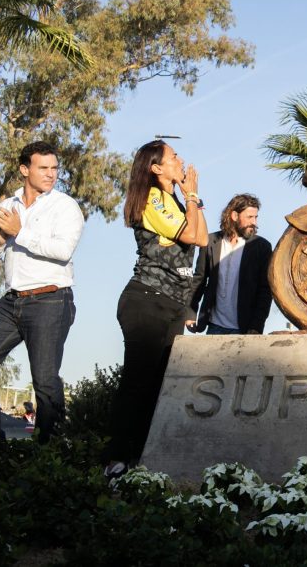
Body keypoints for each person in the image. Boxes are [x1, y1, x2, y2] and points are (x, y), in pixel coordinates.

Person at [104, 140, 208, 476]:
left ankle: (139, 463)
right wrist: (190, 196)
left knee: (157, 387)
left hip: (173, 304)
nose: (181, 161)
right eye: (173, 157)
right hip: (146, 299)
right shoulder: (151, 198)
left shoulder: (176, 200)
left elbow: (202, 238)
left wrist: (192, 197)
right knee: (137, 382)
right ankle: (116, 461)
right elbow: (191, 236)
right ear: (156, 167)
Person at [0, 141, 84, 443]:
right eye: (44, 167)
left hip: (51, 299)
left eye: (54, 168)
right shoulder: (7, 206)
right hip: (13, 300)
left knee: (44, 380)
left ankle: (49, 454)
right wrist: (0, 241)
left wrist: (19, 232)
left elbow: (63, 250)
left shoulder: (65, 206)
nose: (51, 174)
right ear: (25, 169)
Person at [189, 193, 272, 335]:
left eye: (256, 217)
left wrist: (257, 326)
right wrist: (190, 314)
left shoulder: (262, 247)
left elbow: (265, 291)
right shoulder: (210, 242)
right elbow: (199, 280)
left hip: (245, 329)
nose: (254, 222)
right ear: (234, 216)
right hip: (214, 326)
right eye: (249, 217)